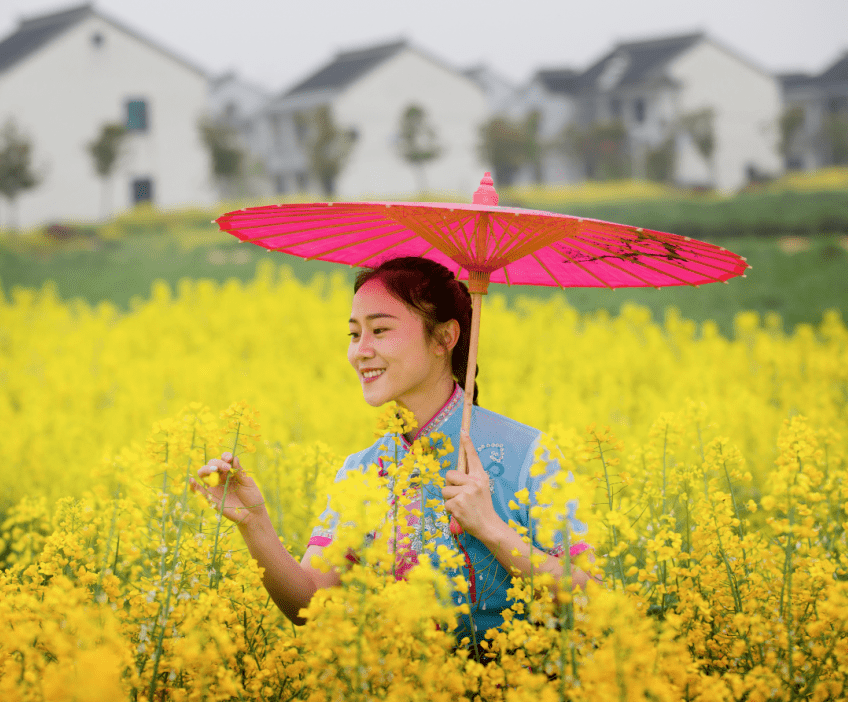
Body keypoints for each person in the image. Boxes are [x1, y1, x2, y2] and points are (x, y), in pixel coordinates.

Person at [189, 256, 594, 648]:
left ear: (444, 339)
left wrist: (491, 528)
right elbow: (309, 602)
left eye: (379, 331)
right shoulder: (363, 470)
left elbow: (589, 598)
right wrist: (254, 522)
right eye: (354, 334)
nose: (360, 351)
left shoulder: (528, 454)